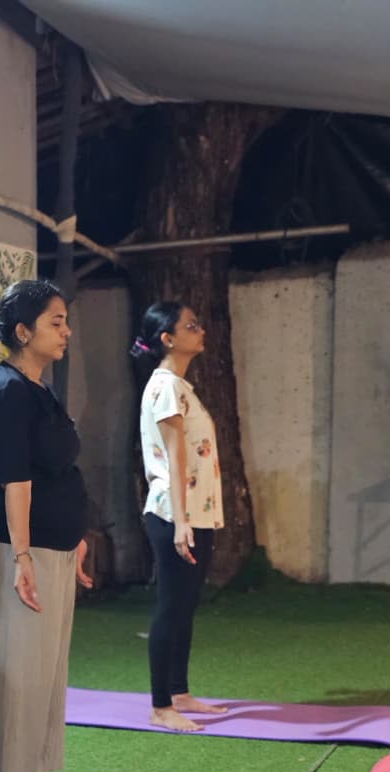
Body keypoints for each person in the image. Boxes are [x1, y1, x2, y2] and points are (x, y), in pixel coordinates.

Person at [0, 280, 92, 772]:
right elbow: (15, 482)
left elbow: (55, 470)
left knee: (43, 667)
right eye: (55, 322)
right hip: (16, 548)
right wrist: (22, 559)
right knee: (13, 671)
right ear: (24, 332)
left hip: (51, 544)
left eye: (66, 321)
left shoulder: (36, 388)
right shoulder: (5, 393)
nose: (66, 331)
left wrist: (75, 537)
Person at [131, 300, 226, 733]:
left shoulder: (180, 386)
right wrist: (182, 521)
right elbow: (174, 456)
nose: (200, 329)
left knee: (186, 604)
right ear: (168, 338)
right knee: (171, 606)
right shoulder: (166, 386)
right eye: (191, 325)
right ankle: (160, 705)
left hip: (193, 513)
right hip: (174, 513)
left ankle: (180, 691)